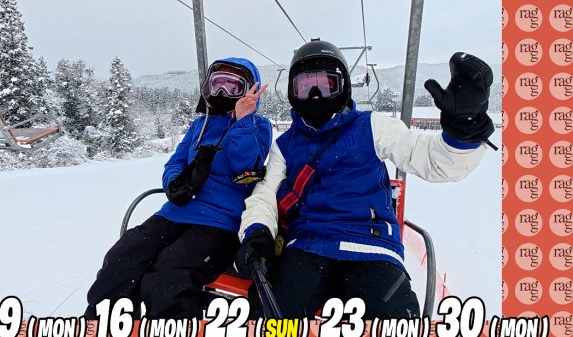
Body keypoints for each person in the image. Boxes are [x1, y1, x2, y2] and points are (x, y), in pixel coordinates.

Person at [235, 38, 495, 319]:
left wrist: (462, 131)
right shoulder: (285, 145)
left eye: (326, 85)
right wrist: (257, 232)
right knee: (267, 321)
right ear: (292, 92)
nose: (315, 95)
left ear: (344, 86)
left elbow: (432, 160)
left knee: (393, 329)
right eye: (306, 86)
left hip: (371, 246)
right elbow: (265, 195)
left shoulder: (372, 126)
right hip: (309, 246)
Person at [85, 57, 272, 319]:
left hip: (219, 221)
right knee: (123, 258)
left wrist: (243, 120)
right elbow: (175, 162)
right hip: (175, 213)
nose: (223, 92)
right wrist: (175, 183)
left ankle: (172, 336)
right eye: (218, 84)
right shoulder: (199, 125)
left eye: (233, 86)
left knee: (170, 273)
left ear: (248, 90)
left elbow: (246, 167)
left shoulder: (257, 126)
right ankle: (105, 325)